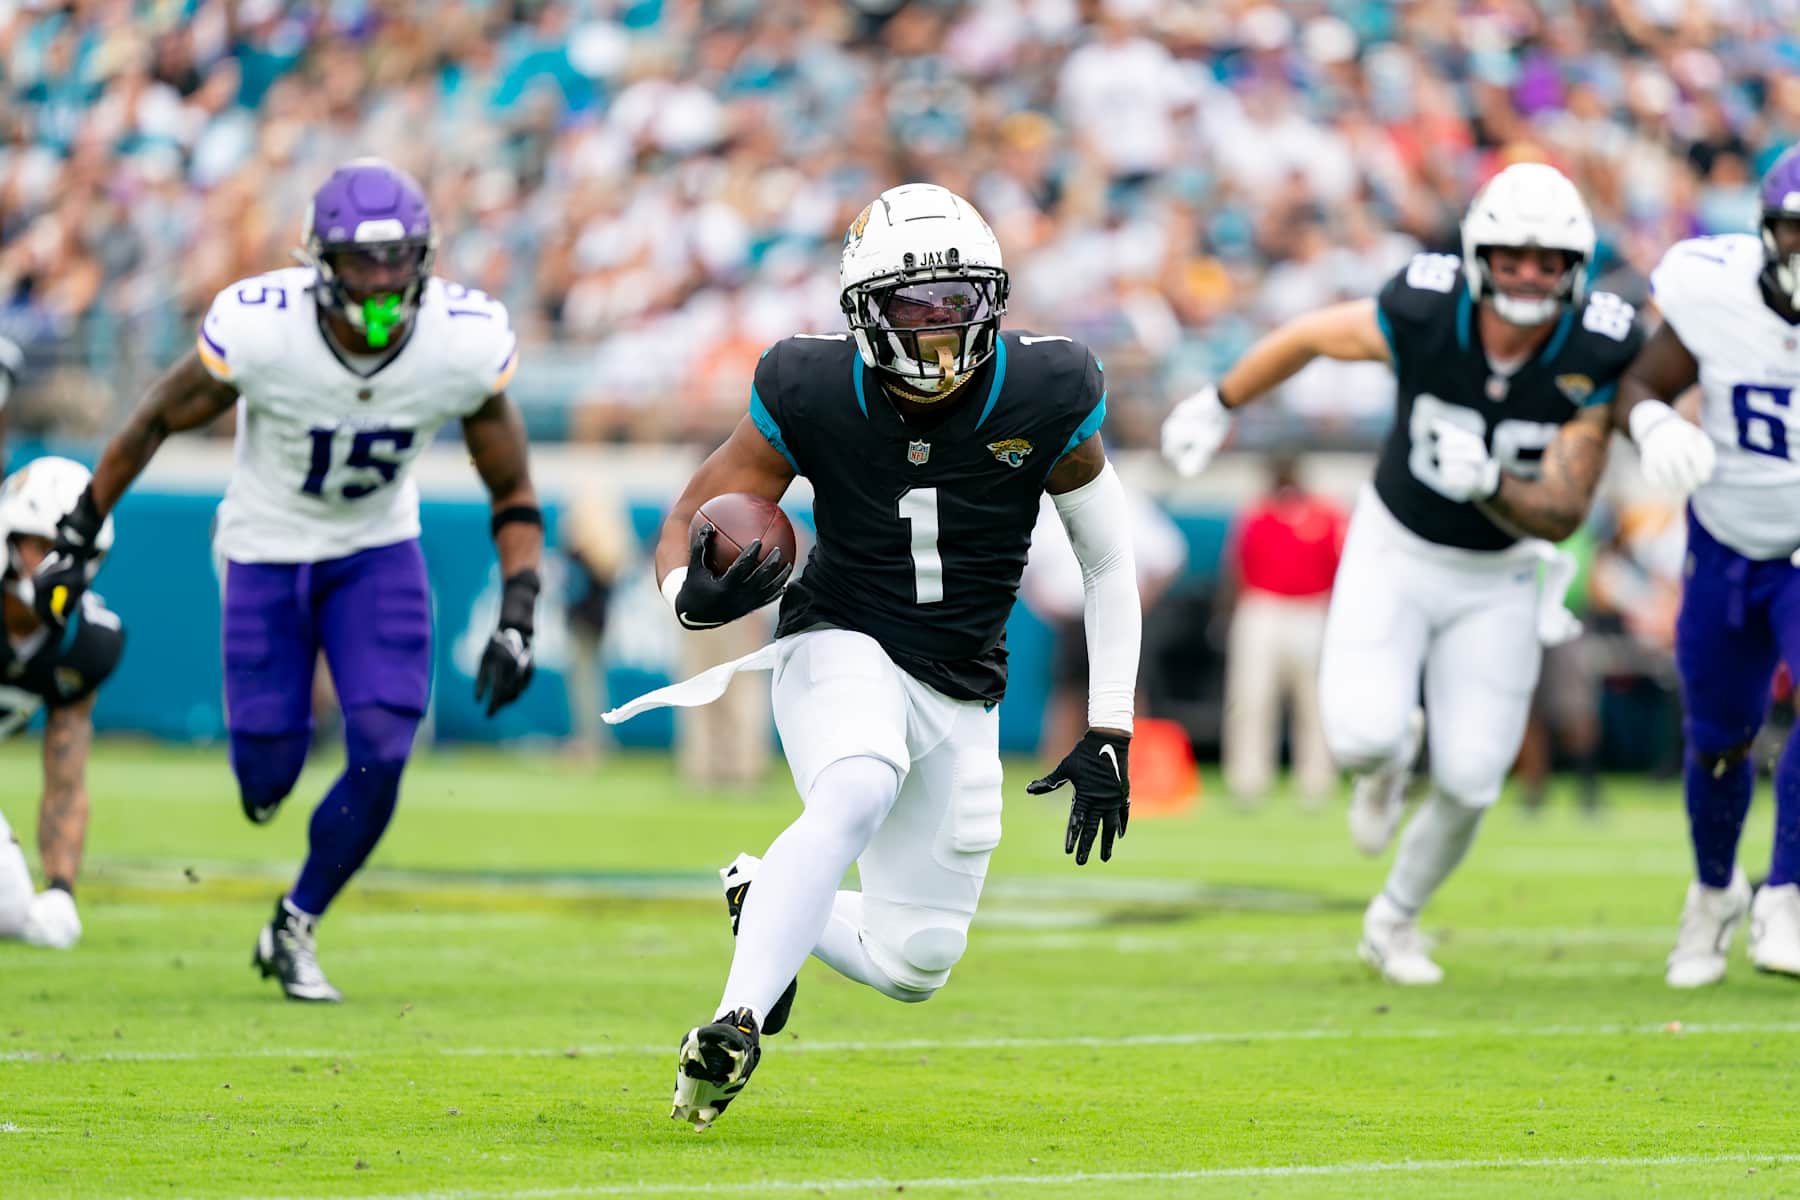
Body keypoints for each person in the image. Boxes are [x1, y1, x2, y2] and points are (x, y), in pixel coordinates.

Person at [604, 183, 1141, 1128]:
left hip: (962, 681)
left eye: (957, 302)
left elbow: (1107, 557)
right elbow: (691, 516)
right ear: (863, 309)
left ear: (993, 299)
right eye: (912, 306)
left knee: (915, 962)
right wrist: (683, 599)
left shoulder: (1046, 388)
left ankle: (761, 889)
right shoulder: (808, 386)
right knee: (856, 785)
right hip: (840, 636)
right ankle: (736, 1021)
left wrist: (1111, 728)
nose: (937, 329)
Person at [29, 159, 543, 1002]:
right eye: (362, 264)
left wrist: (519, 612)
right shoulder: (262, 327)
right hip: (266, 545)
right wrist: (82, 524)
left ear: (425, 258)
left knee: (383, 746)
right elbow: (156, 416)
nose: (382, 284)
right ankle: (272, 796)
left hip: (378, 545)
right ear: (320, 264)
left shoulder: (462, 341)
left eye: (398, 260)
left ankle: (295, 922)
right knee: (266, 779)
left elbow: (513, 489)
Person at [1162, 162, 1644, 984]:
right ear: (1479, 255)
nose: (1529, 273)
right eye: (1513, 255)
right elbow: (1312, 334)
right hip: (1397, 549)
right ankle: (1386, 763)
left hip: (1500, 572)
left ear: (1574, 268)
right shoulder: (1426, 310)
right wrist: (1220, 400)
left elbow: (1564, 509)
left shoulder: (1600, 343)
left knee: (1472, 777)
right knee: (1363, 735)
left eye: (1547, 260)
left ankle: (1394, 920)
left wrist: (1492, 482)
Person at [1613, 143, 1800, 988]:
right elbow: (1640, 384)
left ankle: (1787, 893)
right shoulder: (1714, 288)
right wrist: (1656, 427)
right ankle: (1716, 891)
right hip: (1723, 541)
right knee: (1720, 739)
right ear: (1768, 234)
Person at [0, 458, 125, 950]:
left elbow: (66, 782)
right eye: (42, 547)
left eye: (70, 553)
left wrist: (61, 888)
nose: (55, 567)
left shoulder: (86, 644)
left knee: (17, 909)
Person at [1216, 451, 1346, 806]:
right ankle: (1248, 781)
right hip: (1263, 608)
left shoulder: (1326, 514)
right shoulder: (1255, 513)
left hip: (1311, 610)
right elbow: (1236, 567)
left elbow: (1341, 570)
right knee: (1251, 699)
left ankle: (1317, 783)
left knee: (1314, 703)